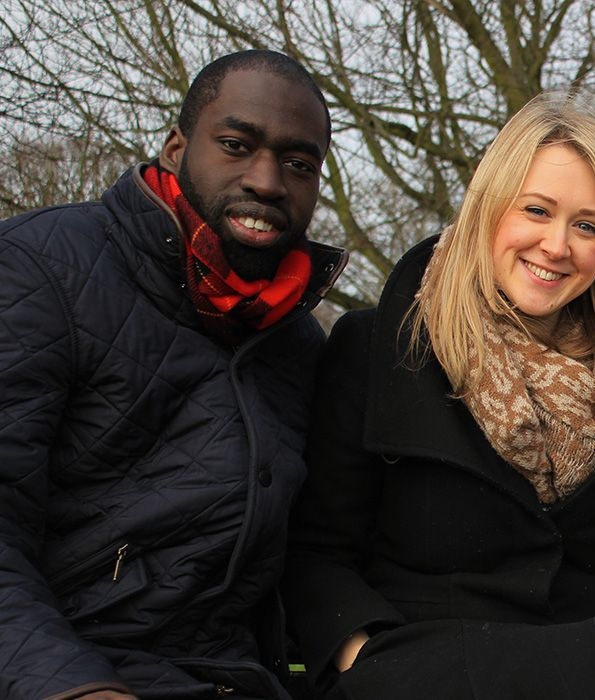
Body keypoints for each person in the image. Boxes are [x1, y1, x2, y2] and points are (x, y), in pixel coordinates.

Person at [282, 91, 595, 700]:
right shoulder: (379, 346)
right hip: (420, 673)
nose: (557, 245)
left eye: (587, 225)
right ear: (489, 208)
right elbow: (317, 555)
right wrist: (365, 658)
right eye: (536, 210)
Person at [0, 50, 347, 699]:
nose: (268, 181)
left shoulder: (300, 344)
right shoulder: (39, 270)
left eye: (300, 164)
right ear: (175, 146)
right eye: (238, 145)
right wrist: (74, 688)